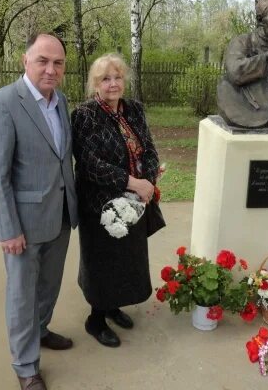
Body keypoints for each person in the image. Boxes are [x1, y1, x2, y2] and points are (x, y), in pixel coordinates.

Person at [0, 33, 78, 390]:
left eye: (58, 63)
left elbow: (59, 158)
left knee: (49, 286)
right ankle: (25, 365)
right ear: (25, 61)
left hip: (61, 216)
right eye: (43, 61)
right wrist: (8, 229)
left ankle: (40, 331)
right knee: (22, 295)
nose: (51, 69)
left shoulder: (60, 101)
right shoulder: (2, 104)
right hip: (23, 224)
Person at [71, 53, 160, 348]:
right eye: (105, 79)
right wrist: (132, 183)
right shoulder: (85, 114)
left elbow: (148, 149)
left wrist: (146, 185)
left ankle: (113, 306)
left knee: (126, 259)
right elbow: (88, 163)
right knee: (102, 261)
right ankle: (95, 319)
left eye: (117, 77)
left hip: (134, 202)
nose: (113, 84)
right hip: (99, 204)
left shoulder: (134, 109)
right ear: (95, 84)